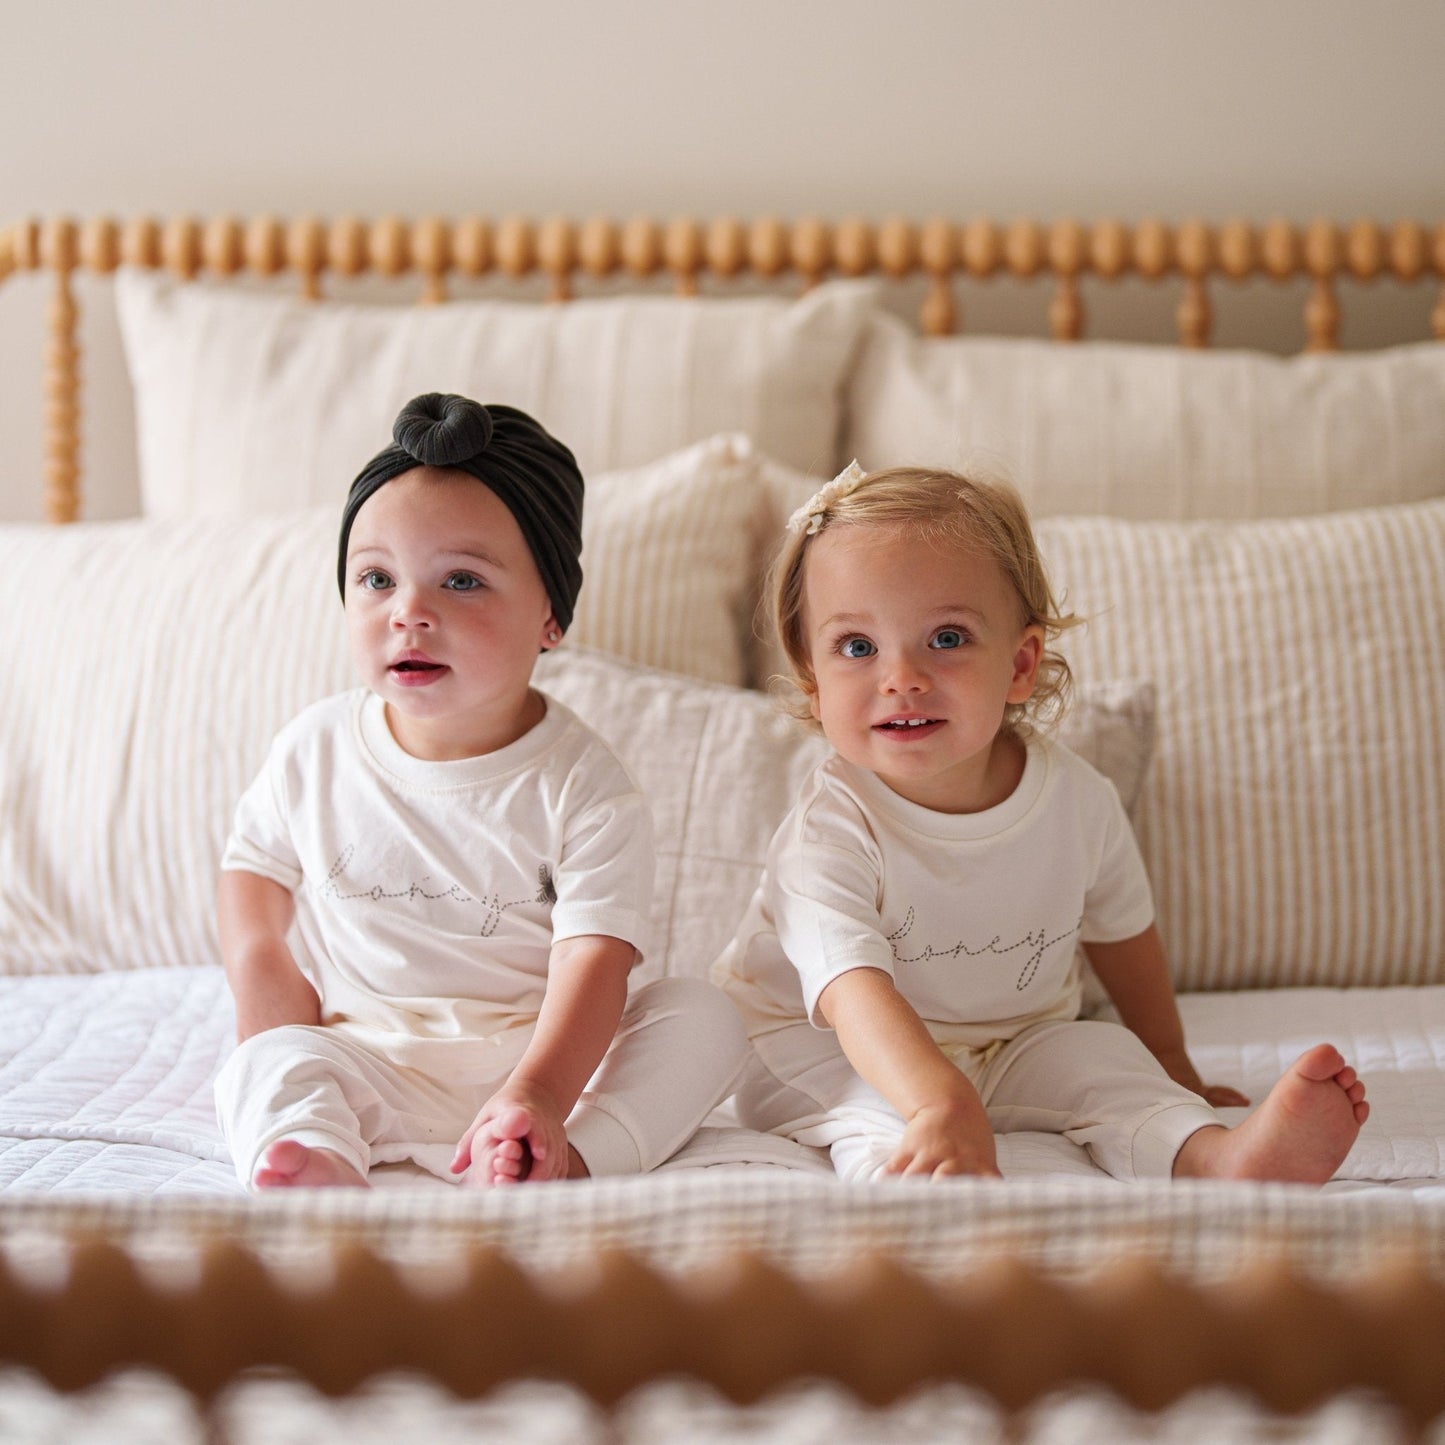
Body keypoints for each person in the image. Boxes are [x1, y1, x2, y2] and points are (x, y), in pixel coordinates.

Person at [714, 462, 1368, 1183]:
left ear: (1020, 662)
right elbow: (850, 989)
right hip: (821, 1046)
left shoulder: (1075, 800)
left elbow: (1122, 933)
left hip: (1013, 1039)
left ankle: (1214, 1156)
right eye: (857, 647)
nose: (900, 676)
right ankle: (916, 1197)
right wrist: (937, 1100)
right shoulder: (830, 831)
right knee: (879, 1115)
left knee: (1104, 1060)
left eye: (946, 638)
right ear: (812, 679)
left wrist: (1172, 1064)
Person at [215, 393, 746, 1190]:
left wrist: (537, 1093)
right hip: (365, 1053)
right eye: (376, 579)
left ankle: (557, 1157)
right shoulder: (314, 749)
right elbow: (251, 869)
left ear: (550, 617)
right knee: (267, 1063)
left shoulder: (584, 786)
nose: (409, 612)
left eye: (461, 580)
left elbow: (594, 960)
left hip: (543, 1063)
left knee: (706, 1021)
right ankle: (316, 1154)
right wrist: (264, 976)